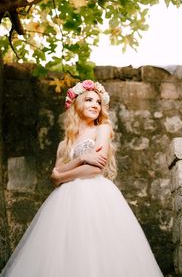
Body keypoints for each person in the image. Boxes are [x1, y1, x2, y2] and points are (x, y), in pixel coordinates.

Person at [1, 80, 164, 277]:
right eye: (89, 100)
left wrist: (62, 174)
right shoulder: (64, 144)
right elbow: (54, 179)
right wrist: (82, 159)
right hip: (65, 202)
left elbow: (95, 170)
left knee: (97, 247)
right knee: (65, 251)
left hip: (97, 196)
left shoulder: (102, 129)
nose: (95, 104)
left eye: (98, 102)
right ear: (77, 104)